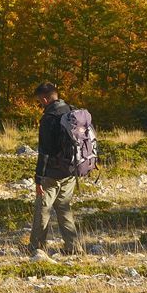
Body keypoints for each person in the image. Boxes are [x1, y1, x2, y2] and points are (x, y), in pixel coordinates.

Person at [28, 81, 83, 258]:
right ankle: (73, 247)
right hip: (71, 170)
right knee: (64, 208)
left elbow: (44, 151)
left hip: (52, 173)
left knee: (42, 209)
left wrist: (38, 179)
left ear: (45, 99)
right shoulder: (71, 111)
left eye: (39, 101)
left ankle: (36, 247)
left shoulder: (49, 118)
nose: (39, 104)